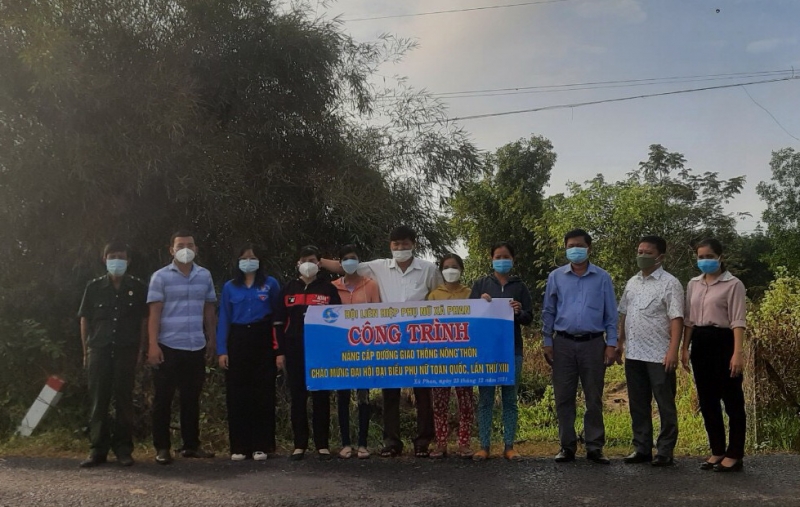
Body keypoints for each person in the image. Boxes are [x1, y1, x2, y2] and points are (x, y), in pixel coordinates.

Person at [318, 225, 443, 458]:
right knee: (390, 392)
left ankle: (423, 441)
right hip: (390, 338)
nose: (401, 248)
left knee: (423, 391)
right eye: (396, 245)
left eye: (405, 244)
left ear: (413, 245)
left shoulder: (428, 269)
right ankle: (392, 442)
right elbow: (345, 265)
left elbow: (440, 298)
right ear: (390, 246)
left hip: (420, 338)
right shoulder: (379, 267)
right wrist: (316, 261)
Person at [541, 228, 618, 465]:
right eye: (570, 245)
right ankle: (567, 446)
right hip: (562, 342)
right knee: (564, 397)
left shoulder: (602, 277)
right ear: (565, 249)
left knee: (593, 397)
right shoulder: (556, 277)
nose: (575, 249)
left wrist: (612, 343)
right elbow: (549, 310)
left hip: (594, 343)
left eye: (579, 245)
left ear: (589, 248)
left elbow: (611, 313)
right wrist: (546, 340)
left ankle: (595, 446)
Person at [147, 231, 217, 465]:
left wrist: (212, 339)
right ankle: (162, 447)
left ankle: (190, 445)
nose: (185, 249)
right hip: (168, 346)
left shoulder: (205, 276)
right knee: (163, 399)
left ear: (196, 249)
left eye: (190, 245)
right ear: (171, 249)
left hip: (195, 345)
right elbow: (154, 313)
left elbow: (209, 310)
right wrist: (152, 345)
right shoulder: (160, 277)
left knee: (191, 398)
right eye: (180, 245)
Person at [77, 242, 148, 468]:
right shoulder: (94, 287)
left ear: (128, 261)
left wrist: (141, 350)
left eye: (121, 257)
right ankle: (97, 450)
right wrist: (86, 351)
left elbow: (143, 321)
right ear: (104, 259)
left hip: (126, 350)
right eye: (113, 256)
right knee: (99, 401)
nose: (117, 260)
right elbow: (85, 319)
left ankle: (123, 449)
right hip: (99, 349)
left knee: (124, 401)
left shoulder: (137, 287)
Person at [616, 236, 684, 467]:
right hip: (634, 354)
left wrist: (673, 351)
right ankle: (642, 448)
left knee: (665, 404)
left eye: (647, 252)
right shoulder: (632, 282)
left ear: (660, 257)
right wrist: (619, 342)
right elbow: (624, 313)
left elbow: (676, 319)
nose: (642, 256)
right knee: (638, 403)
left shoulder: (670, 283)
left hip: (659, 354)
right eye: (640, 251)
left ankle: (665, 450)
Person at [682, 238, 747, 473]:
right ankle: (717, 450)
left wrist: (737, 353)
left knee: (732, 400)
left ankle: (735, 453)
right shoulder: (693, 284)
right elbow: (689, 319)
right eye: (701, 257)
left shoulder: (733, 284)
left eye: (709, 256)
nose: (705, 261)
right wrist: (684, 348)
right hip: (700, 342)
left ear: (720, 257)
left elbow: (738, 321)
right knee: (708, 401)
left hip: (725, 342)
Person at [273, 245, 342, 461]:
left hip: (320, 352)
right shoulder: (288, 289)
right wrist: (279, 352)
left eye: (312, 260)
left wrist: (332, 350)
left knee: (321, 397)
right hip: (293, 351)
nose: (308, 264)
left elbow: (337, 321)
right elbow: (278, 323)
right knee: (298, 397)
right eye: (304, 260)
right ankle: (299, 444)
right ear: (298, 264)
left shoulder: (328, 289)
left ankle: (322, 444)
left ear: (319, 264)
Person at [216, 244, 282, 461]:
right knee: (238, 394)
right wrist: (222, 350)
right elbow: (224, 318)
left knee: (262, 393)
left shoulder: (270, 284)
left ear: (260, 260)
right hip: (238, 340)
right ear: (237, 261)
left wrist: (278, 349)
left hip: (262, 339)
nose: (248, 261)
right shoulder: (229, 287)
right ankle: (239, 446)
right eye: (244, 258)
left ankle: (261, 445)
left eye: (252, 257)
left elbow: (277, 318)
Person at [469, 242, 533, 462]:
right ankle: (484, 446)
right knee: (485, 399)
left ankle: (509, 446)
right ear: (491, 259)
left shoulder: (520, 286)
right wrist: (480, 304)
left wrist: (519, 311)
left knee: (510, 399)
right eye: (498, 256)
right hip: (486, 351)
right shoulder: (481, 284)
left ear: (513, 260)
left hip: (512, 349)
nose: (502, 260)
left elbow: (529, 318)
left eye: (506, 256)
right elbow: (470, 316)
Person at [331, 244, 381, 460]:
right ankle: (345, 444)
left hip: (364, 349)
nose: (350, 262)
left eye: (353, 258)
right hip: (340, 350)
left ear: (359, 261)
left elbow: (379, 314)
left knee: (363, 397)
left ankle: (362, 444)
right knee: (342, 396)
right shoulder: (332, 287)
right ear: (340, 263)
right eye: (346, 258)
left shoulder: (370, 285)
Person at [426, 253, 475, 459]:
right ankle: (441, 444)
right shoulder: (434, 295)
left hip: (464, 355)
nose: (451, 270)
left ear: (461, 269)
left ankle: (464, 444)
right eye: (446, 267)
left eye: (454, 266)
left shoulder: (470, 293)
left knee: (466, 402)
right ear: (441, 270)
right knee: (439, 403)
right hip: (440, 355)